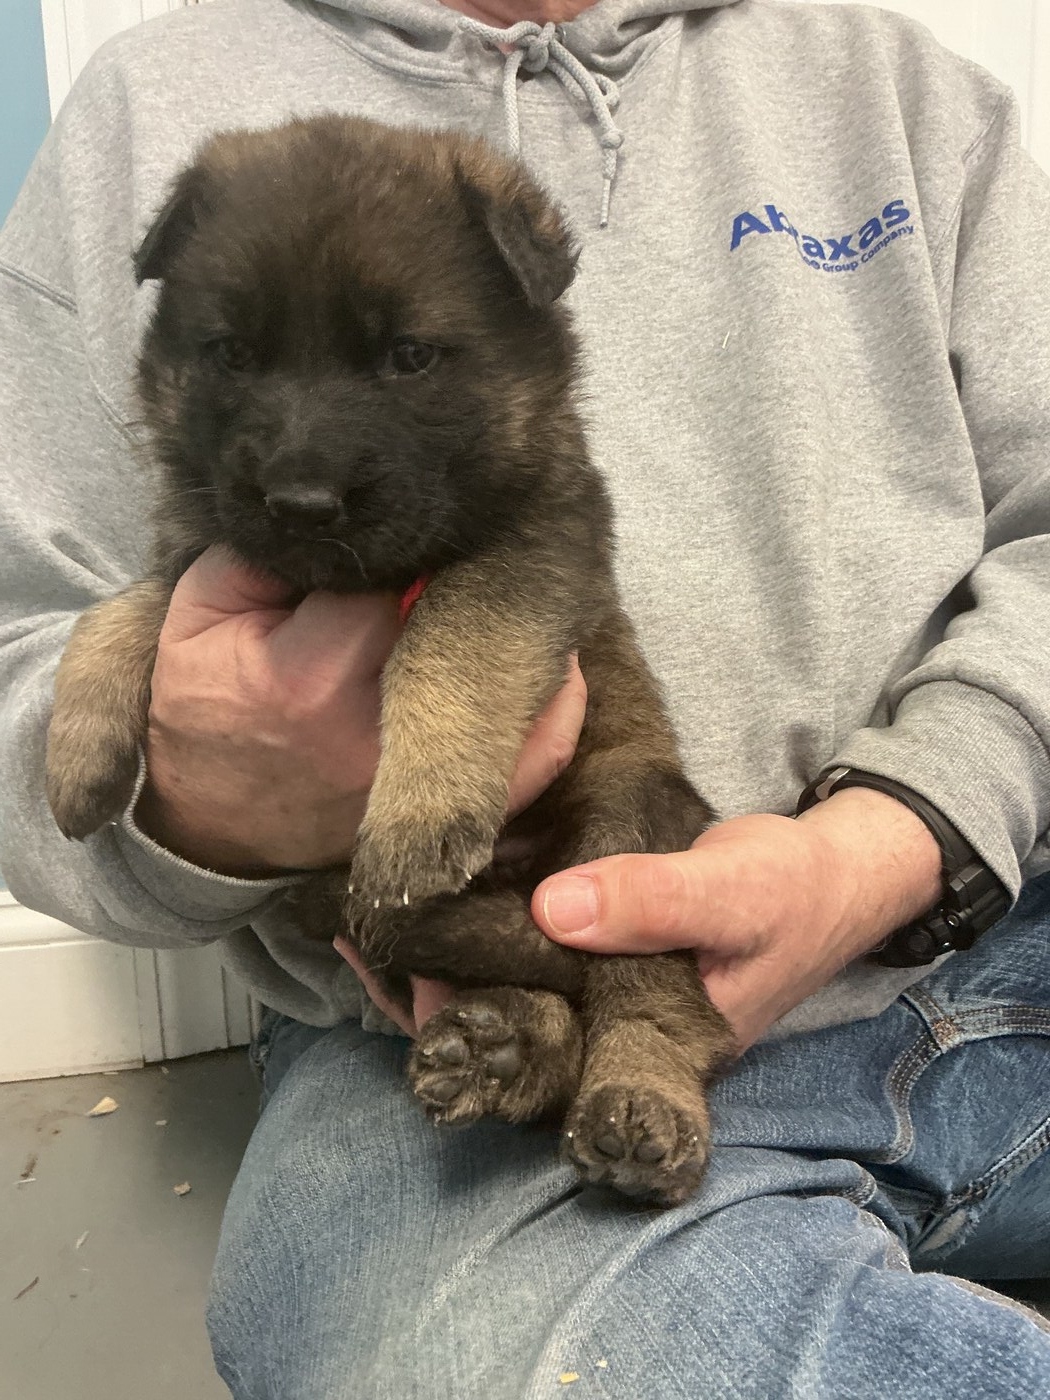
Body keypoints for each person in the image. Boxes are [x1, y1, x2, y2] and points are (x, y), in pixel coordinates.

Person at [1, 0, 1048, 1393]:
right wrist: (181, 786)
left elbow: (516, 586)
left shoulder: (904, 91)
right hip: (432, 1031)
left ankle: (624, 1046)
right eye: (238, 357)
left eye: (404, 359)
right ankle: (586, 1047)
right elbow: (62, 618)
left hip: (1000, 935)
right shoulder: (153, 111)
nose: (301, 463)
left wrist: (894, 840)